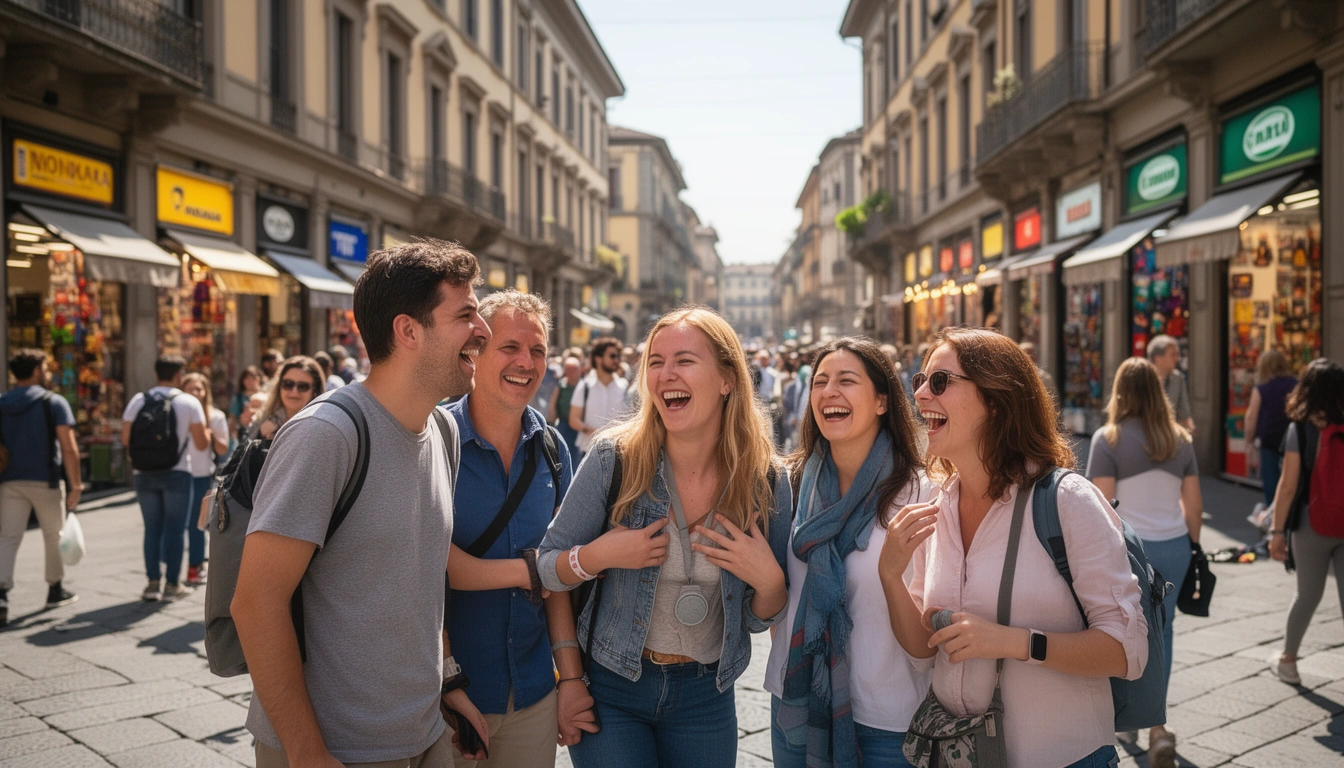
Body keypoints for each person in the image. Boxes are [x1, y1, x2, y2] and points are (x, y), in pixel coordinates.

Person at [231, 239, 491, 767]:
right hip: (337, 748)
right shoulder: (326, 435)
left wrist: (447, 678)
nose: (483, 330)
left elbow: (420, 579)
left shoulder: (443, 430)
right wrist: (308, 753)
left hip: (424, 731)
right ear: (408, 331)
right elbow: (255, 604)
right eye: (466, 314)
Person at [538, 307, 792, 768]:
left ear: (727, 379)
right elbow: (548, 566)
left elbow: (757, 621)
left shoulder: (766, 481)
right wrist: (598, 555)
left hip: (707, 695)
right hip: (611, 689)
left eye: (684, 361)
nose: (665, 374)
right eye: (655, 361)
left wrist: (771, 583)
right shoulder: (614, 459)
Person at [883, 328, 1147, 768]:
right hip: (962, 754)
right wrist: (890, 575)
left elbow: (1127, 650)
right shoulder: (936, 506)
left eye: (941, 381)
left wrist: (1015, 643)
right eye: (920, 381)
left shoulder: (1067, 501)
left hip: (1067, 757)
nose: (922, 395)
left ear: (996, 399)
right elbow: (923, 651)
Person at [443, 290, 597, 767]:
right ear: (476, 351)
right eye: (510, 347)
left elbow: (559, 587)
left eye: (537, 351)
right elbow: (425, 570)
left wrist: (569, 680)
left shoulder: (553, 450)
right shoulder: (434, 441)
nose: (526, 363)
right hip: (450, 698)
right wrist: (446, 681)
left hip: (532, 693)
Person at [766, 338, 932, 768]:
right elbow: (777, 605)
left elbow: (930, 633)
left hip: (889, 721)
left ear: (881, 401)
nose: (828, 392)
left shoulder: (921, 493)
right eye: (820, 381)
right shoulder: (788, 486)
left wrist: (891, 574)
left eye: (845, 380)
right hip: (796, 706)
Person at [1086, 357, 1203, 768]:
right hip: (1174, 549)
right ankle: (1157, 727)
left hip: (1131, 552)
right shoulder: (1181, 440)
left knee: (1120, 632)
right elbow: (1194, 505)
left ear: (1121, 393)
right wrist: (1195, 548)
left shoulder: (1108, 439)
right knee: (1163, 638)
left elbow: (1102, 506)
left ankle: (1125, 717)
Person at [1267, 359, 1344, 685]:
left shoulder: (1299, 428)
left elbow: (1287, 486)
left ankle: (1288, 662)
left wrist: (1276, 532)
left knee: (1307, 594)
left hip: (1312, 522)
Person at [0, 349, 81, 624]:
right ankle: (55, 589)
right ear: (36, 370)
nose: (48, 373)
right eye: (46, 368)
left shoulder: (2, 402)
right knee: (53, 534)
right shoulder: (53, 402)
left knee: (8, 537)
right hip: (45, 479)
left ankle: (1, 594)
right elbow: (68, 448)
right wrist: (76, 484)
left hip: (9, 480)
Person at [122, 355, 209, 602]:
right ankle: (172, 585)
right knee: (175, 529)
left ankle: (152, 584)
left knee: (151, 529)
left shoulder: (138, 400)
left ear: (156, 373)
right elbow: (202, 445)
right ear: (179, 375)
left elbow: (126, 439)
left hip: (144, 473)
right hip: (177, 472)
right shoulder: (189, 402)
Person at [180, 373, 229, 587]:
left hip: (201, 473)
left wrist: (209, 435)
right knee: (175, 525)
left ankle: (195, 566)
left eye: (199, 389)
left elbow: (223, 449)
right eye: (191, 388)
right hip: (178, 472)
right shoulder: (177, 412)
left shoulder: (215, 415)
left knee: (197, 524)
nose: (196, 393)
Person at [1243, 349, 1298, 510]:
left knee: (1271, 482)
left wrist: (1249, 441)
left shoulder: (1261, 388)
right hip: (1292, 438)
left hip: (1270, 438)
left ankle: (1273, 520)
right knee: (1293, 480)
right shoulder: (1295, 384)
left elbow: (1251, 416)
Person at [569, 337, 628, 459]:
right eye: (612, 356)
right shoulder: (585, 386)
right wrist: (591, 431)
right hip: (589, 453)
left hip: (620, 454)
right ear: (598, 358)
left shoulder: (625, 388)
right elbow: (574, 419)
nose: (617, 360)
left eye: (618, 356)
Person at [252, 357, 324, 440]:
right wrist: (261, 437)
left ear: (315, 391)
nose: (294, 391)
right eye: (288, 384)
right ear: (279, 386)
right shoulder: (261, 420)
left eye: (303, 386)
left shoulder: (322, 428)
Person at [1147, 335, 1194, 432]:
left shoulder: (1178, 379)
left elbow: (1184, 415)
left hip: (1169, 438)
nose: (1177, 359)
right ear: (1157, 358)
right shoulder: (1142, 379)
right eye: (1173, 355)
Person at [548, 356, 583, 459]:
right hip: (564, 424)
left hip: (579, 425)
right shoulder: (561, 385)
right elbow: (553, 403)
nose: (571, 372)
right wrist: (551, 422)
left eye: (574, 369)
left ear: (580, 370)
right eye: (568, 369)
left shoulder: (584, 386)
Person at [229, 366, 263, 440]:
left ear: (259, 379)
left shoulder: (266, 396)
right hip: (244, 433)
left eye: (253, 378)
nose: (250, 381)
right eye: (247, 379)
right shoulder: (239, 398)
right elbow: (233, 418)